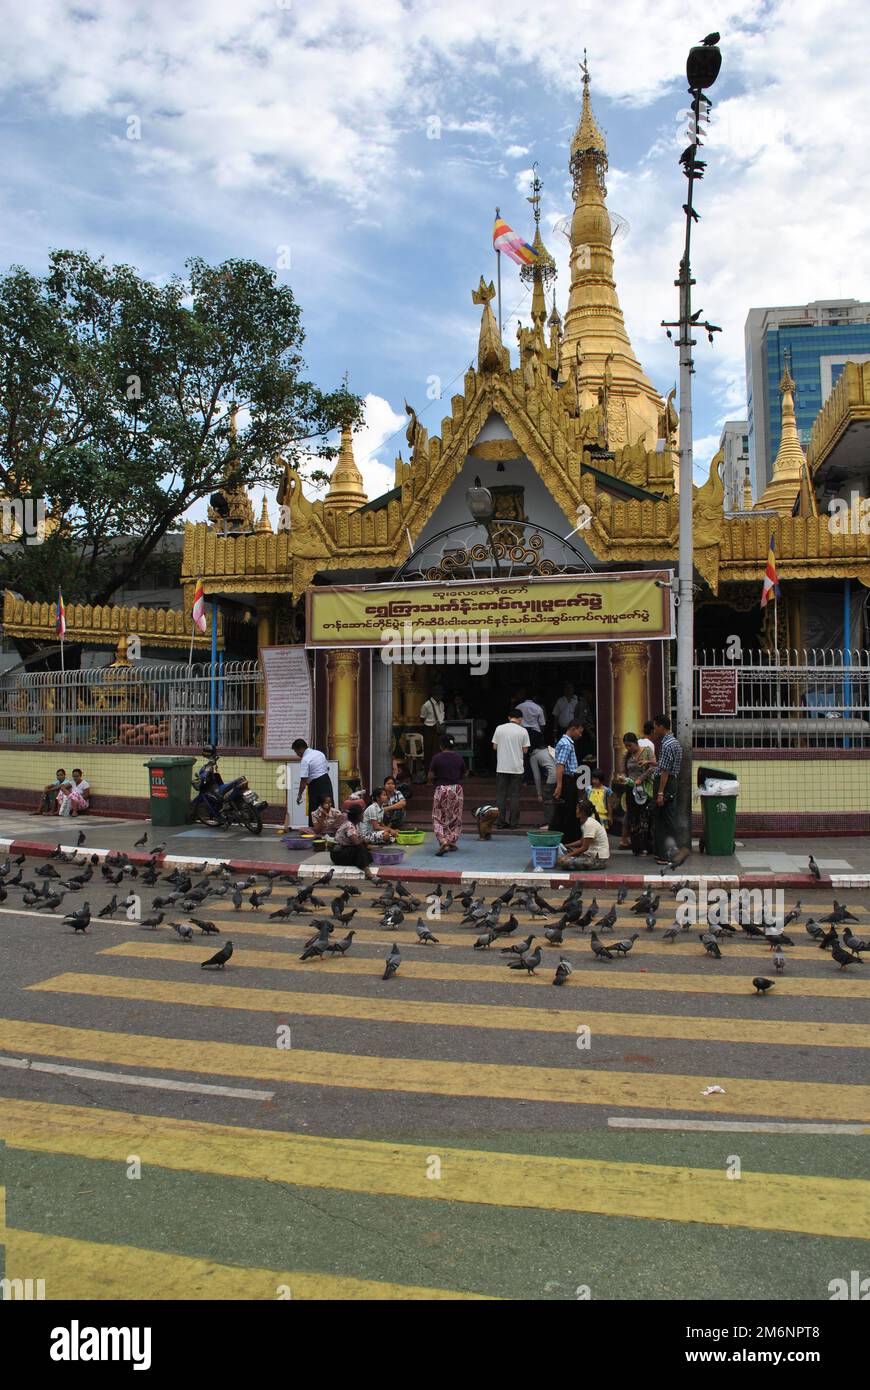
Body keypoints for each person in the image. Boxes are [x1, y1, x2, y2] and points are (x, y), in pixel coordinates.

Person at [615, 731, 656, 854]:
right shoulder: (626, 755)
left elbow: (653, 767)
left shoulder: (647, 751)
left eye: (630, 745)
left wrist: (641, 779)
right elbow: (622, 770)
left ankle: (648, 846)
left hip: (645, 788)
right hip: (631, 788)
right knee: (633, 816)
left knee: (646, 816)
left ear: (635, 743)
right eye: (626, 746)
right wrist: (622, 777)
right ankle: (636, 847)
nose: (628, 748)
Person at [428, 733, 466, 855]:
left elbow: (430, 775)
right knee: (455, 817)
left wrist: (431, 782)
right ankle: (451, 841)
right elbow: (464, 774)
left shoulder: (437, 758)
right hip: (456, 789)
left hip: (441, 789)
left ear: (441, 746)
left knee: (438, 817)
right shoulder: (459, 758)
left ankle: (443, 840)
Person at [491, 709, 530, 829]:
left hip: (502, 767)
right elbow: (525, 750)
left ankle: (499, 822)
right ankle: (514, 823)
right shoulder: (523, 731)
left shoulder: (499, 728)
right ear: (520, 719)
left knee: (501, 796)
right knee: (515, 796)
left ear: (509, 717)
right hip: (517, 768)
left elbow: (494, 747)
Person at [652, 713, 682, 865]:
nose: (654, 730)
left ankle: (667, 855)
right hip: (671, 783)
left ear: (661, 727)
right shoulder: (674, 742)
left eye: (655, 726)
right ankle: (663, 853)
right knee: (664, 818)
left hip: (665, 784)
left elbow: (665, 771)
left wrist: (660, 792)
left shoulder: (666, 744)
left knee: (665, 820)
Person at [557, 798, 611, 870]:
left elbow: (584, 847)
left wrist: (566, 856)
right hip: (590, 855)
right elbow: (582, 841)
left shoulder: (589, 824)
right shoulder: (586, 822)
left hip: (598, 860)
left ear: (582, 812)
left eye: (577, 809)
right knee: (565, 851)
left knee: (564, 862)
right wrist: (565, 845)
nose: (575, 811)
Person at [549, 718, 582, 836]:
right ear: (573, 729)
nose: (580, 734)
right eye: (579, 731)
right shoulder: (566, 744)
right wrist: (559, 785)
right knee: (567, 809)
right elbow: (560, 765)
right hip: (567, 780)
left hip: (569, 779)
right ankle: (564, 837)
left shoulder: (565, 743)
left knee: (567, 809)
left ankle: (566, 837)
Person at [291, 739, 334, 824]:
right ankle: (330, 831)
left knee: (315, 810)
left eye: (296, 752)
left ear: (300, 749)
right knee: (328, 806)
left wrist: (299, 795)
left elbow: (303, 780)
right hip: (326, 781)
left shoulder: (305, 759)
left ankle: (314, 832)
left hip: (316, 785)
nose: (297, 754)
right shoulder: (319, 753)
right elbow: (327, 768)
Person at [330, 804, 376, 879]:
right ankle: (367, 872)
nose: (363, 815)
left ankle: (360, 862)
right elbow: (357, 843)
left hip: (344, 851)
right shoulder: (349, 825)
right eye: (362, 814)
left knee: (368, 854)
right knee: (360, 848)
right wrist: (364, 841)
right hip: (338, 854)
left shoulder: (355, 825)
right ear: (358, 816)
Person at [529, 743, 557, 826]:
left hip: (553, 775)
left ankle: (549, 823)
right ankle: (556, 822)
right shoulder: (548, 749)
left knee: (547, 799)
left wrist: (539, 794)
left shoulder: (533, 757)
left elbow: (537, 777)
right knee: (557, 799)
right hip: (561, 775)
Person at [419, 686, 446, 768]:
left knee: (439, 750)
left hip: (439, 728)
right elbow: (422, 718)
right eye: (439, 695)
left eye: (441, 695)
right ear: (434, 695)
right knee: (429, 751)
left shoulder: (441, 704)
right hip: (429, 729)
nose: (441, 697)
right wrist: (430, 723)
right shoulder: (426, 705)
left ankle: (438, 768)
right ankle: (429, 770)